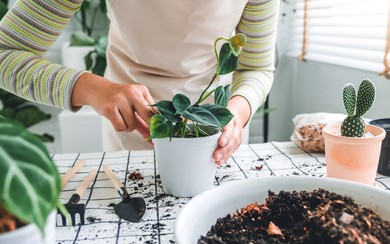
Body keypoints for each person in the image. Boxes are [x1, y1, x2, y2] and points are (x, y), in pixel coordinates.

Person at [0, 0, 279, 165]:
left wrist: (235, 116)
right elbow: (5, 53)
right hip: (129, 127)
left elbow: (257, 68)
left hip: (210, 135)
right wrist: (94, 89)